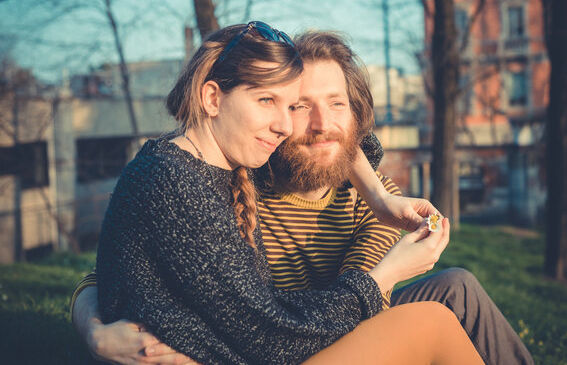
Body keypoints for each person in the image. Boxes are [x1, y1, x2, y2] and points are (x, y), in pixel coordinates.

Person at [75, 22, 486, 364]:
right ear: (213, 97)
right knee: (431, 323)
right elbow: (270, 338)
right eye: (270, 101)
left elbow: (340, 144)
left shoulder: (214, 162)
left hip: (281, 338)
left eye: (290, 106)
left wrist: (379, 198)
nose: (286, 125)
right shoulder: (181, 181)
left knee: (455, 287)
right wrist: (388, 274)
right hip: (276, 348)